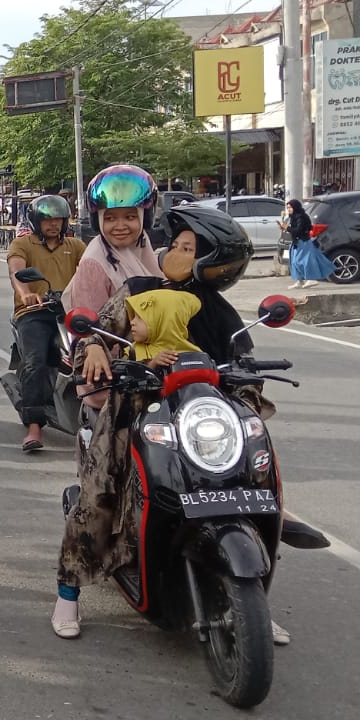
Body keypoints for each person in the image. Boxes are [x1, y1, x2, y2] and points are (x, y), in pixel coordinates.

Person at [57, 203, 324, 642]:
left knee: (255, 473)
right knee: (101, 489)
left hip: (201, 414)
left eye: (190, 248)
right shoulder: (137, 289)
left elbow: (243, 360)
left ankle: (251, 598)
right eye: (176, 245)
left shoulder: (216, 308)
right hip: (138, 406)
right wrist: (97, 348)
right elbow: (98, 332)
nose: (179, 253)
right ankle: (68, 594)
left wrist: (244, 380)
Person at [7, 194, 85, 452]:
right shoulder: (23, 244)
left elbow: (90, 271)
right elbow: (16, 272)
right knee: (35, 361)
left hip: (69, 311)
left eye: (59, 220)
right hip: (35, 313)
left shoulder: (75, 246)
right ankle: (34, 427)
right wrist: (26, 294)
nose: (54, 225)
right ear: (36, 221)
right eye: (48, 220)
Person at [64, 166, 164, 315]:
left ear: (145, 217)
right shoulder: (94, 265)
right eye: (110, 218)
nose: (120, 226)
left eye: (130, 217)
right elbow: (95, 332)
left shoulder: (141, 242)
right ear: (98, 220)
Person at [125, 288, 200, 369]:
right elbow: (127, 378)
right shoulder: (133, 352)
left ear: (163, 322)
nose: (132, 322)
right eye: (133, 316)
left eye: (140, 317)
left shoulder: (195, 356)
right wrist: (152, 364)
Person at [286, 199, 333, 289]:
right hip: (296, 242)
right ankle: (299, 281)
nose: (288, 209)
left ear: (295, 207)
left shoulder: (301, 217)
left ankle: (311, 279)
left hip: (303, 242)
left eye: (290, 207)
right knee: (294, 262)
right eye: (287, 207)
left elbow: (298, 231)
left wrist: (287, 228)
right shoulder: (293, 217)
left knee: (303, 261)